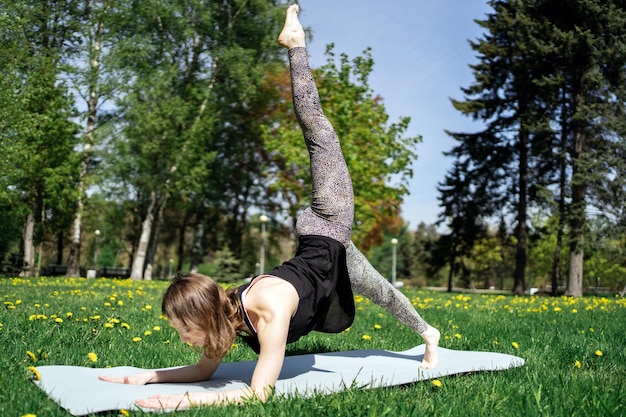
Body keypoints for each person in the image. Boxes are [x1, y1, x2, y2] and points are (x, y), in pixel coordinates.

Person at [99, 4, 439, 409]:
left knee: (319, 134)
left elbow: (260, 394)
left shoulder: (271, 312)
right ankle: (430, 334)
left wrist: (184, 403)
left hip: (327, 222)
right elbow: (204, 372)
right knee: (381, 292)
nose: (181, 338)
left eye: (182, 328)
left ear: (203, 316)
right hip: (330, 255)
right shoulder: (227, 314)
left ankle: (296, 46)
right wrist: (142, 377)